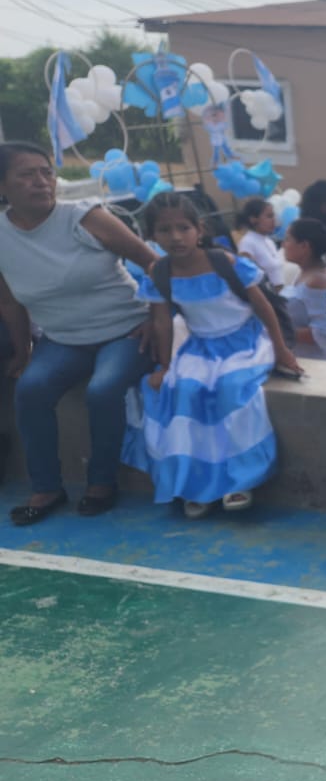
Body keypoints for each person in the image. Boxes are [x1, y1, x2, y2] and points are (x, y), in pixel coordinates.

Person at [0, 141, 158, 524]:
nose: (42, 181)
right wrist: (23, 352)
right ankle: (46, 488)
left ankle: (101, 483)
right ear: (2, 186)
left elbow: (154, 263)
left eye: (47, 172)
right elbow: (10, 302)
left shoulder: (85, 217)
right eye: (27, 174)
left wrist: (157, 318)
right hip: (62, 338)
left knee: (103, 390)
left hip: (125, 330)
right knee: (30, 390)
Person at [124, 193, 301, 516]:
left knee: (232, 390)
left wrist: (281, 349)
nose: (176, 237)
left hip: (245, 342)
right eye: (164, 230)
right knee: (184, 391)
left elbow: (263, 306)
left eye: (184, 228)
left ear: (199, 229)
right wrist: (165, 365)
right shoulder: (159, 272)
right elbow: (162, 322)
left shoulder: (224, 262)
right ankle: (197, 483)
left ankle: (240, 480)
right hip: (201, 346)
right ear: (151, 235)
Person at [281, 218, 326, 361]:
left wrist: (280, 332)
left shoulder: (318, 281)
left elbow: (324, 331)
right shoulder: (303, 273)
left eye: (288, 239)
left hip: (319, 363)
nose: (283, 244)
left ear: (304, 246)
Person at [234, 197, 286, 289]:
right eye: (269, 216)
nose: (273, 220)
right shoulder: (247, 243)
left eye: (273, 216)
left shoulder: (269, 241)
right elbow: (248, 278)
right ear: (253, 219)